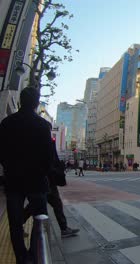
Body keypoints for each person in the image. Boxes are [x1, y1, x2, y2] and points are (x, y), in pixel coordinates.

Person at [0, 87, 54, 263]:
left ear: (21, 101)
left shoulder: (7, 123)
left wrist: (9, 167)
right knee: (40, 220)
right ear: (36, 103)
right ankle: (34, 253)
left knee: (15, 224)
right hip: (36, 180)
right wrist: (42, 172)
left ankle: (22, 258)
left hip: (13, 180)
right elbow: (49, 156)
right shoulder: (43, 125)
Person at [24, 137, 80, 238]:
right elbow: (49, 162)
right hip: (46, 180)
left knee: (34, 205)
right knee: (51, 204)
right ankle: (63, 228)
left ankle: (17, 225)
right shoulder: (45, 143)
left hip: (43, 179)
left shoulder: (39, 142)